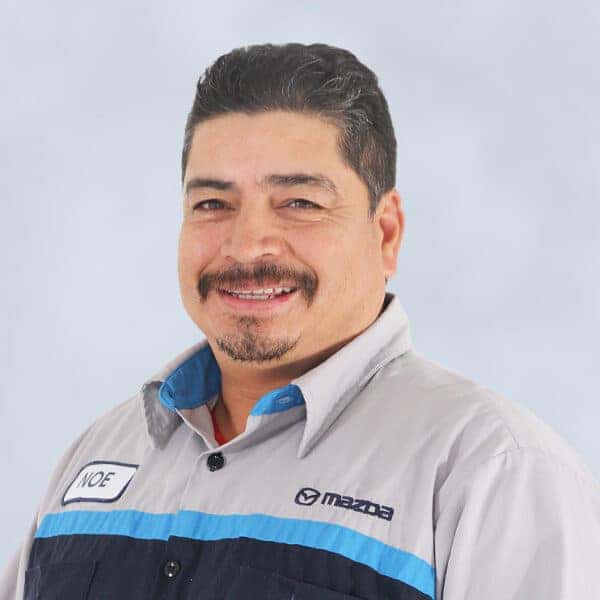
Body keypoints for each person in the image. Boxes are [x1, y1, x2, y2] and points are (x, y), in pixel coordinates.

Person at [2, 42, 599, 600]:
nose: (247, 245)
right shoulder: (95, 454)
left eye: (300, 203)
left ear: (385, 232)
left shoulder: (494, 472)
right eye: (212, 203)